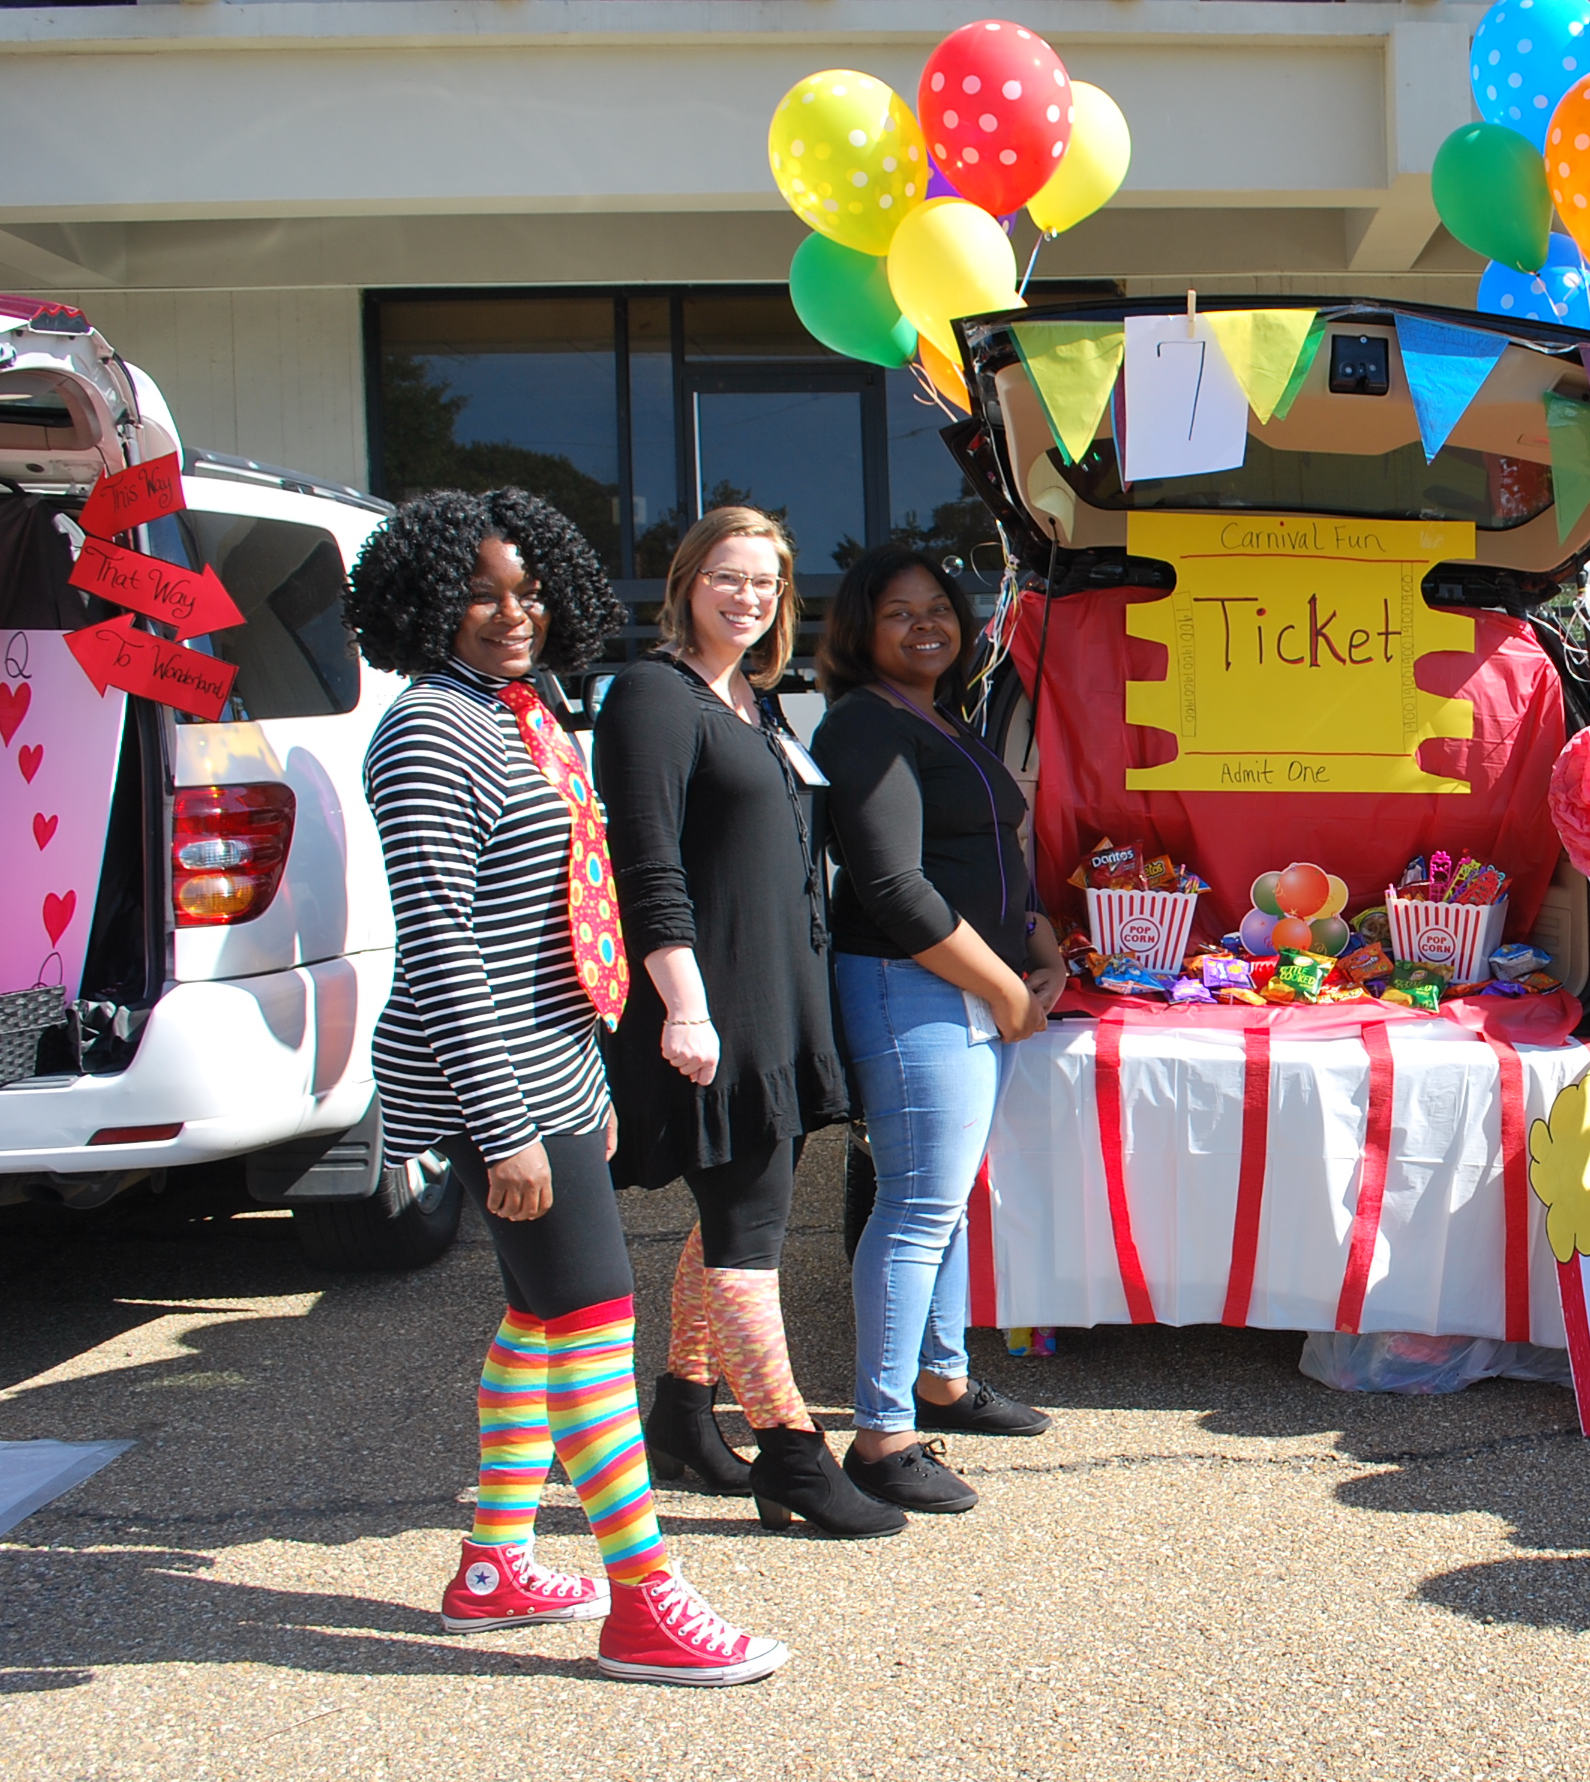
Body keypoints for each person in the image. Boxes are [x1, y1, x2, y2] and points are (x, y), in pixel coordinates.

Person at [350, 488, 784, 1686]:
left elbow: (547, 920)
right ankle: (647, 1603)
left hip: (547, 1063)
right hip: (493, 1078)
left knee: (544, 1319)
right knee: (593, 1319)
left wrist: (584, 1077)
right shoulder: (434, 729)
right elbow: (441, 944)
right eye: (480, 593)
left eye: (530, 589)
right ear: (422, 602)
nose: (511, 613)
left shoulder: (520, 711)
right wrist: (507, 1129)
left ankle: (494, 1561)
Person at [593, 506, 891, 1537]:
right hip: (712, 1006)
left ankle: (679, 1411)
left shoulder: (754, 702)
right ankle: (792, 1455)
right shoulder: (651, 696)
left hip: (778, 1002)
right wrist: (684, 1007)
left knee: (737, 1213)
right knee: (749, 1237)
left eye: (764, 583)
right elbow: (647, 864)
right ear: (684, 581)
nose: (747, 598)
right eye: (728, 577)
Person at [816, 549, 1064, 1515]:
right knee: (916, 1205)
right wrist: (1006, 991)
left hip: (973, 981)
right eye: (897, 614)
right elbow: (892, 885)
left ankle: (944, 1381)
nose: (925, 626)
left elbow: (990, 850)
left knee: (948, 1200)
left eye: (938, 610)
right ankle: (881, 1436)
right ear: (860, 633)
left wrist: (1039, 944)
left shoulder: (937, 716)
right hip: (908, 986)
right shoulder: (862, 725)